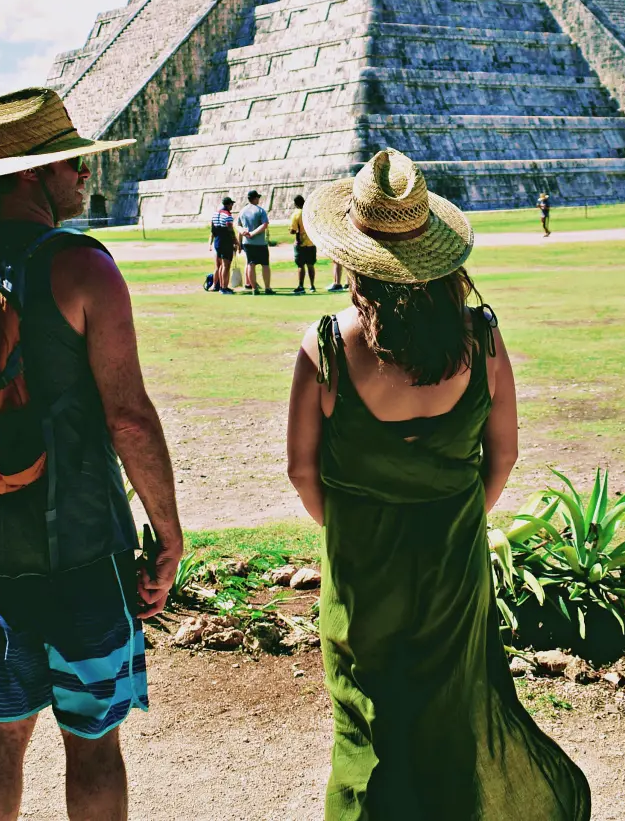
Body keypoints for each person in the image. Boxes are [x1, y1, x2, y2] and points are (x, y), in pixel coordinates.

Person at [287, 149, 589, 819]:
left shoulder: (328, 347)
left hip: (362, 565)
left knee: (368, 730)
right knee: (450, 720)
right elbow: (503, 455)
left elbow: (301, 470)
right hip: (452, 560)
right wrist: (453, 509)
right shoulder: (480, 338)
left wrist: (350, 522)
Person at [0, 87, 183, 821]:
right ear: (31, 174)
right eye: (69, 161)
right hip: (83, 547)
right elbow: (129, 417)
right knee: (93, 740)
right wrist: (167, 531)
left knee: (2, 736)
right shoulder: (81, 268)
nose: (82, 175)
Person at [238, 189, 273, 294]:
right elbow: (265, 224)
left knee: (250, 264)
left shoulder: (242, 211)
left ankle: (254, 288)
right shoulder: (260, 210)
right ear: (255, 198)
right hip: (260, 243)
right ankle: (267, 288)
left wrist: (243, 232)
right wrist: (253, 233)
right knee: (265, 265)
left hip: (247, 242)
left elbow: (238, 225)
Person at [208, 197, 238, 294]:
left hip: (217, 241)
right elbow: (230, 230)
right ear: (228, 204)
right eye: (231, 204)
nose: (232, 206)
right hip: (226, 241)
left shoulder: (215, 214)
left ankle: (221, 286)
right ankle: (224, 287)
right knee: (226, 265)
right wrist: (236, 242)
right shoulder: (227, 215)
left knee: (220, 266)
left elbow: (212, 229)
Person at [289, 193, 318, 293]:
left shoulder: (296, 214)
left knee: (301, 265)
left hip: (300, 243)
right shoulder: (309, 212)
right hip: (311, 242)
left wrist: (290, 230)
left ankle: (301, 286)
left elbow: (293, 230)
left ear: (295, 204)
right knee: (310, 265)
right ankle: (312, 286)